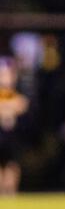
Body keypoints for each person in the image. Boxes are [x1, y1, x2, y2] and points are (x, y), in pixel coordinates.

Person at [0, 57, 29, 195]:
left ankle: (10, 194)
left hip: (11, 140)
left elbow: (23, 104)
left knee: (12, 166)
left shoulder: (16, 93)